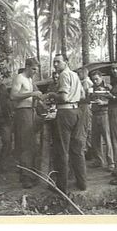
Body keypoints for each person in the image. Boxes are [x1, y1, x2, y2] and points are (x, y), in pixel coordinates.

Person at [46, 54, 87, 193]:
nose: (55, 65)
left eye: (58, 62)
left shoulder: (64, 75)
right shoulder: (75, 75)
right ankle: (82, 183)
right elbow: (82, 96)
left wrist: (52, 95)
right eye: (54, 62)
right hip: (76, 111)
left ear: (66, 62)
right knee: (77, 150)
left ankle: (61, 187)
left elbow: (63, 97)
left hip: (65, 113)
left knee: (62, 150)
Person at [10, 57, 43, 188]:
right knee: (25, 144)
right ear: (27, 67)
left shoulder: (29, 79)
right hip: (22, 112)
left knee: (32, 144)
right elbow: (13, 96)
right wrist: (31, 94)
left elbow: (33, 95)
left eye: (37, 69)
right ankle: (26, 177)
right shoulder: (20, 78)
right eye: (34, 69)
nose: (35, 72)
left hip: (31, 111)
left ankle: (30, 173)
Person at [89, 70, 115, 171]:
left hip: (104, 114)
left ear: (101, 78)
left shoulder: (108, 87)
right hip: (94, 114)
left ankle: (111, 162)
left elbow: (113, 100)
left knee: (107, 139)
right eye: (93, 79)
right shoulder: (92, 88)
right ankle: (98, 160)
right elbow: (89, 99)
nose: (95, 81)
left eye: (96, 79)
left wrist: (103, 102)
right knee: (95, 139)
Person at [77, 67, 93, 159]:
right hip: (83, 107)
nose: (78, 76)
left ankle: (88, 151)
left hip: (85, 107)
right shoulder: (83, 82)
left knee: (86, 128)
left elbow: (87, 97)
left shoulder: (86, 83)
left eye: (79, 74)